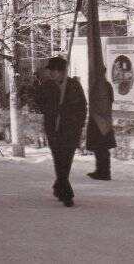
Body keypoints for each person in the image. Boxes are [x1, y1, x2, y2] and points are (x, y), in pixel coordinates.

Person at [35, 56, 87, 207]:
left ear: (62, 72)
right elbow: (39, 103)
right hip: (54, 128)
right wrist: (53, 110)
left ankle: (59, 186)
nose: (51, 74)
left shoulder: (74, 86)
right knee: (59, 160)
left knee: (66, 161)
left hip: (71, 129)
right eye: (50, 71)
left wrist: (79, 123)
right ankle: (66, 194)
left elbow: (82, 106)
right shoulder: (46, 86)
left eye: (54, 71)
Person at [86, 80, 116, 181]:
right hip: (100, 119)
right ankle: (100, 170)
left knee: (102, 147)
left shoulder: (102, 85)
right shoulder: (102, 84)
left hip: (101, 120)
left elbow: (104, 102)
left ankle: (104, 172)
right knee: (99, 147)